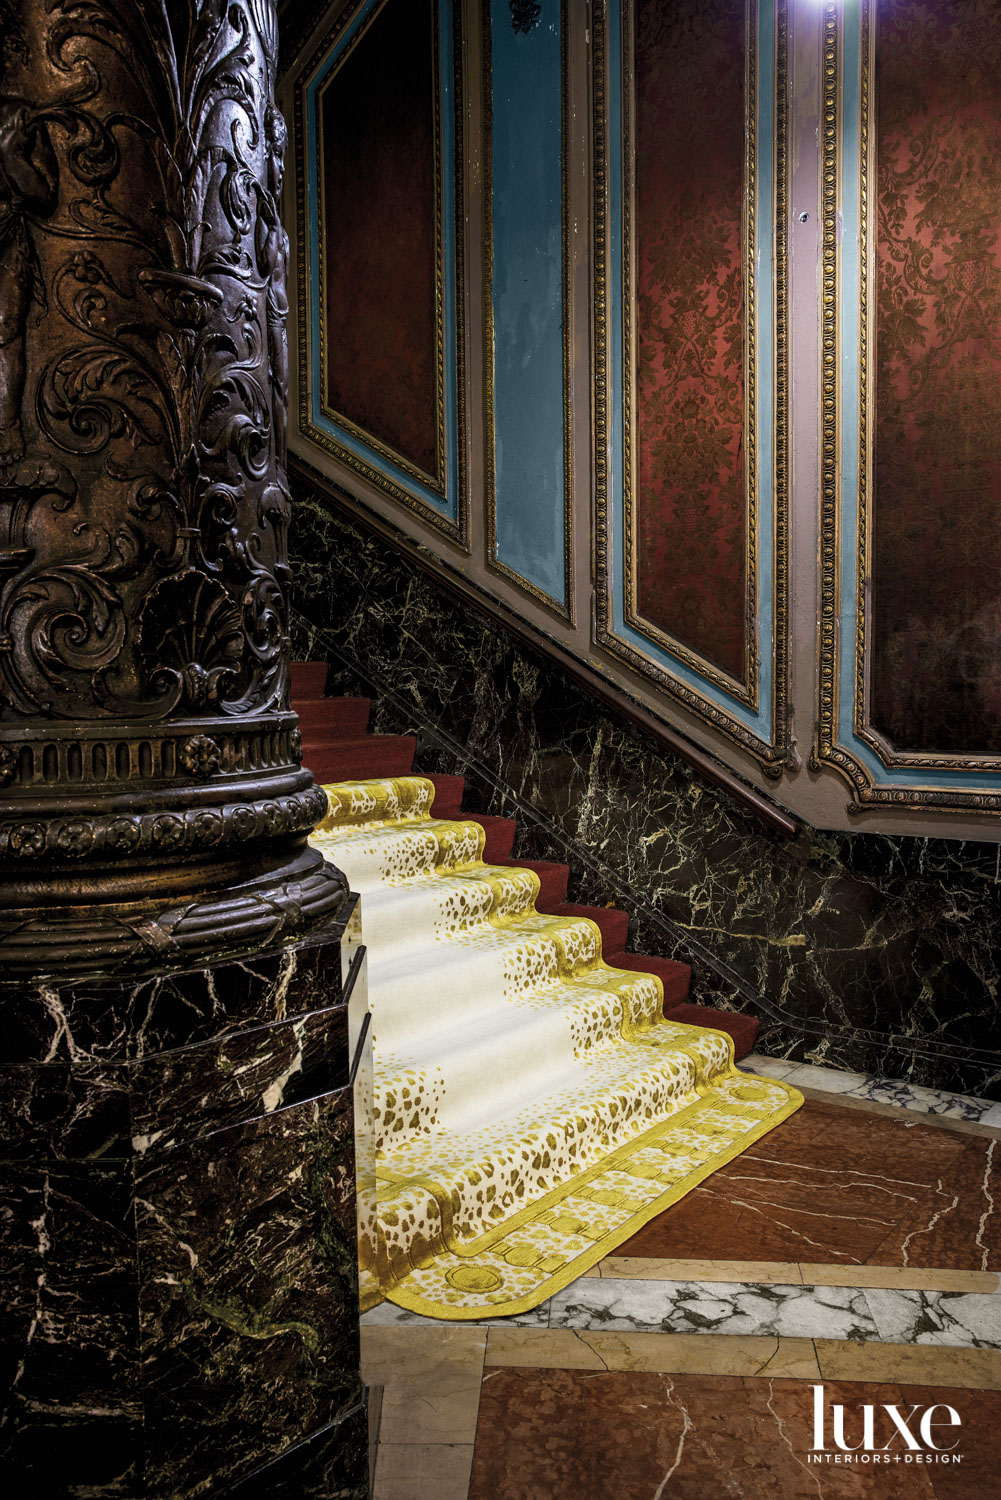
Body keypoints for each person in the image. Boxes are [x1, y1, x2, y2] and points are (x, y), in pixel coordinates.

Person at [0, 96, 57, 470]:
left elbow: (44, 194)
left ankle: (7, 426)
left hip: (6, 237)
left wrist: (11, 155)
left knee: (5, 328)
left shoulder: (19, 115)